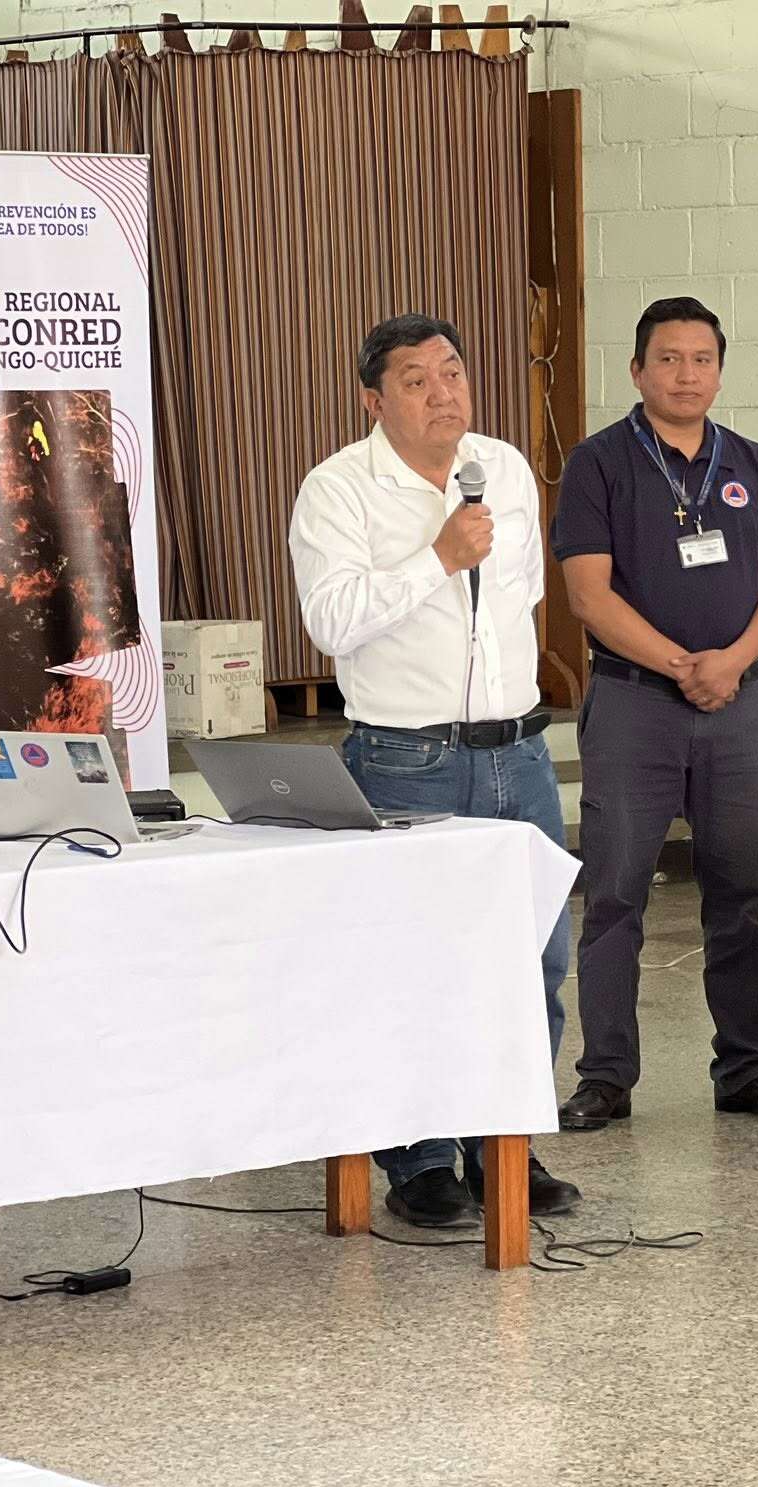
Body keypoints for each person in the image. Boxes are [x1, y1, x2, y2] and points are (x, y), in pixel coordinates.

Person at [288, 312, 579, 1228]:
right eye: (415, 380)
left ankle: (506, 1145)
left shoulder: (504, 469)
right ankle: (418, 1160)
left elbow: (523, 597)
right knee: (411, 964)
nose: (442, 392)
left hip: (518, 753)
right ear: (374, 401)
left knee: (535, 957)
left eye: (452, 371)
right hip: (406, 759)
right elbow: (332, 622)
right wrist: (437, 559)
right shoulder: (339, 489)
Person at [552, 296, 758, 1131]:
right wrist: (681, 666)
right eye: (668, 359)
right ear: (637, 371)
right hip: (637, 705)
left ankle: (748, 1068)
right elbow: (588, 595)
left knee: (739, 893)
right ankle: (606, 1076)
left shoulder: (753, 464)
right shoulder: (597, 464)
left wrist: (728, 665)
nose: (686, 374)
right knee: (616, 896)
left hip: (740, 704)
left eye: (702, 359)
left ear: (720, 373)